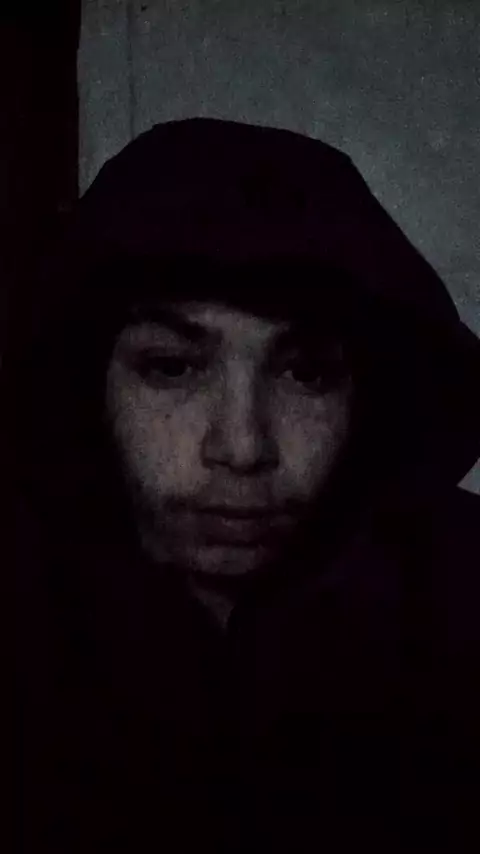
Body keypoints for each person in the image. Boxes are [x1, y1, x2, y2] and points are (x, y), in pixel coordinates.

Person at [10, 117, 480, 852]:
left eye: (307, 374)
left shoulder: (462, 595)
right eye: (171, 367)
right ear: (86, 384)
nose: (243, 446)